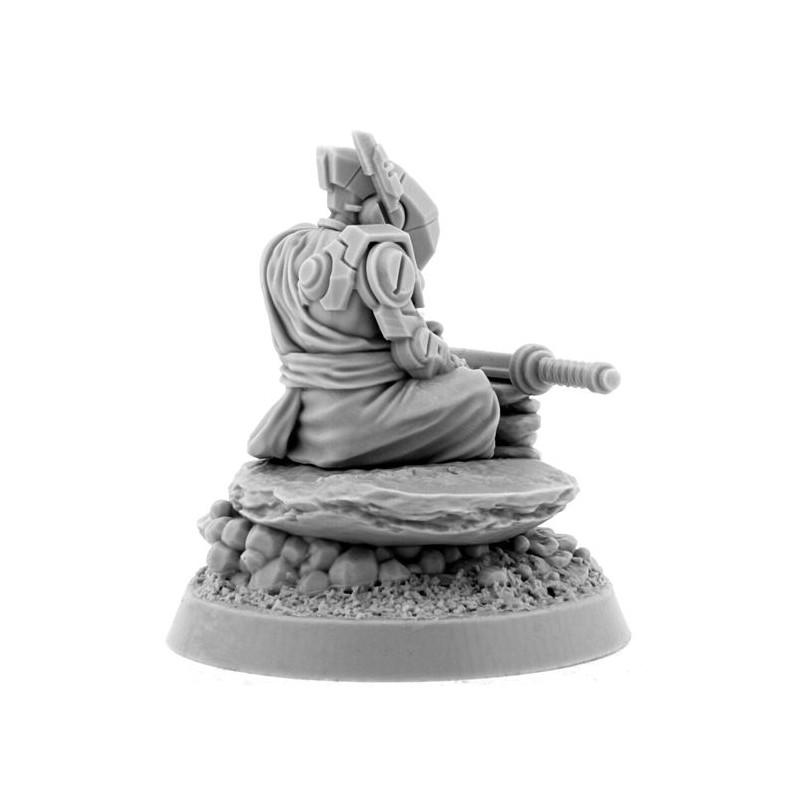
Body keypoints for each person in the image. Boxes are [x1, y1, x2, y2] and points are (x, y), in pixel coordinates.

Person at [247, 132, 499, 468]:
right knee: (478, 393)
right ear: (374, 208)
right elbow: (418, 357)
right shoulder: (376, 255)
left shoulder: (282, 247)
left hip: (301, 422)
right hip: (359, 424)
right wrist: (451, 361)